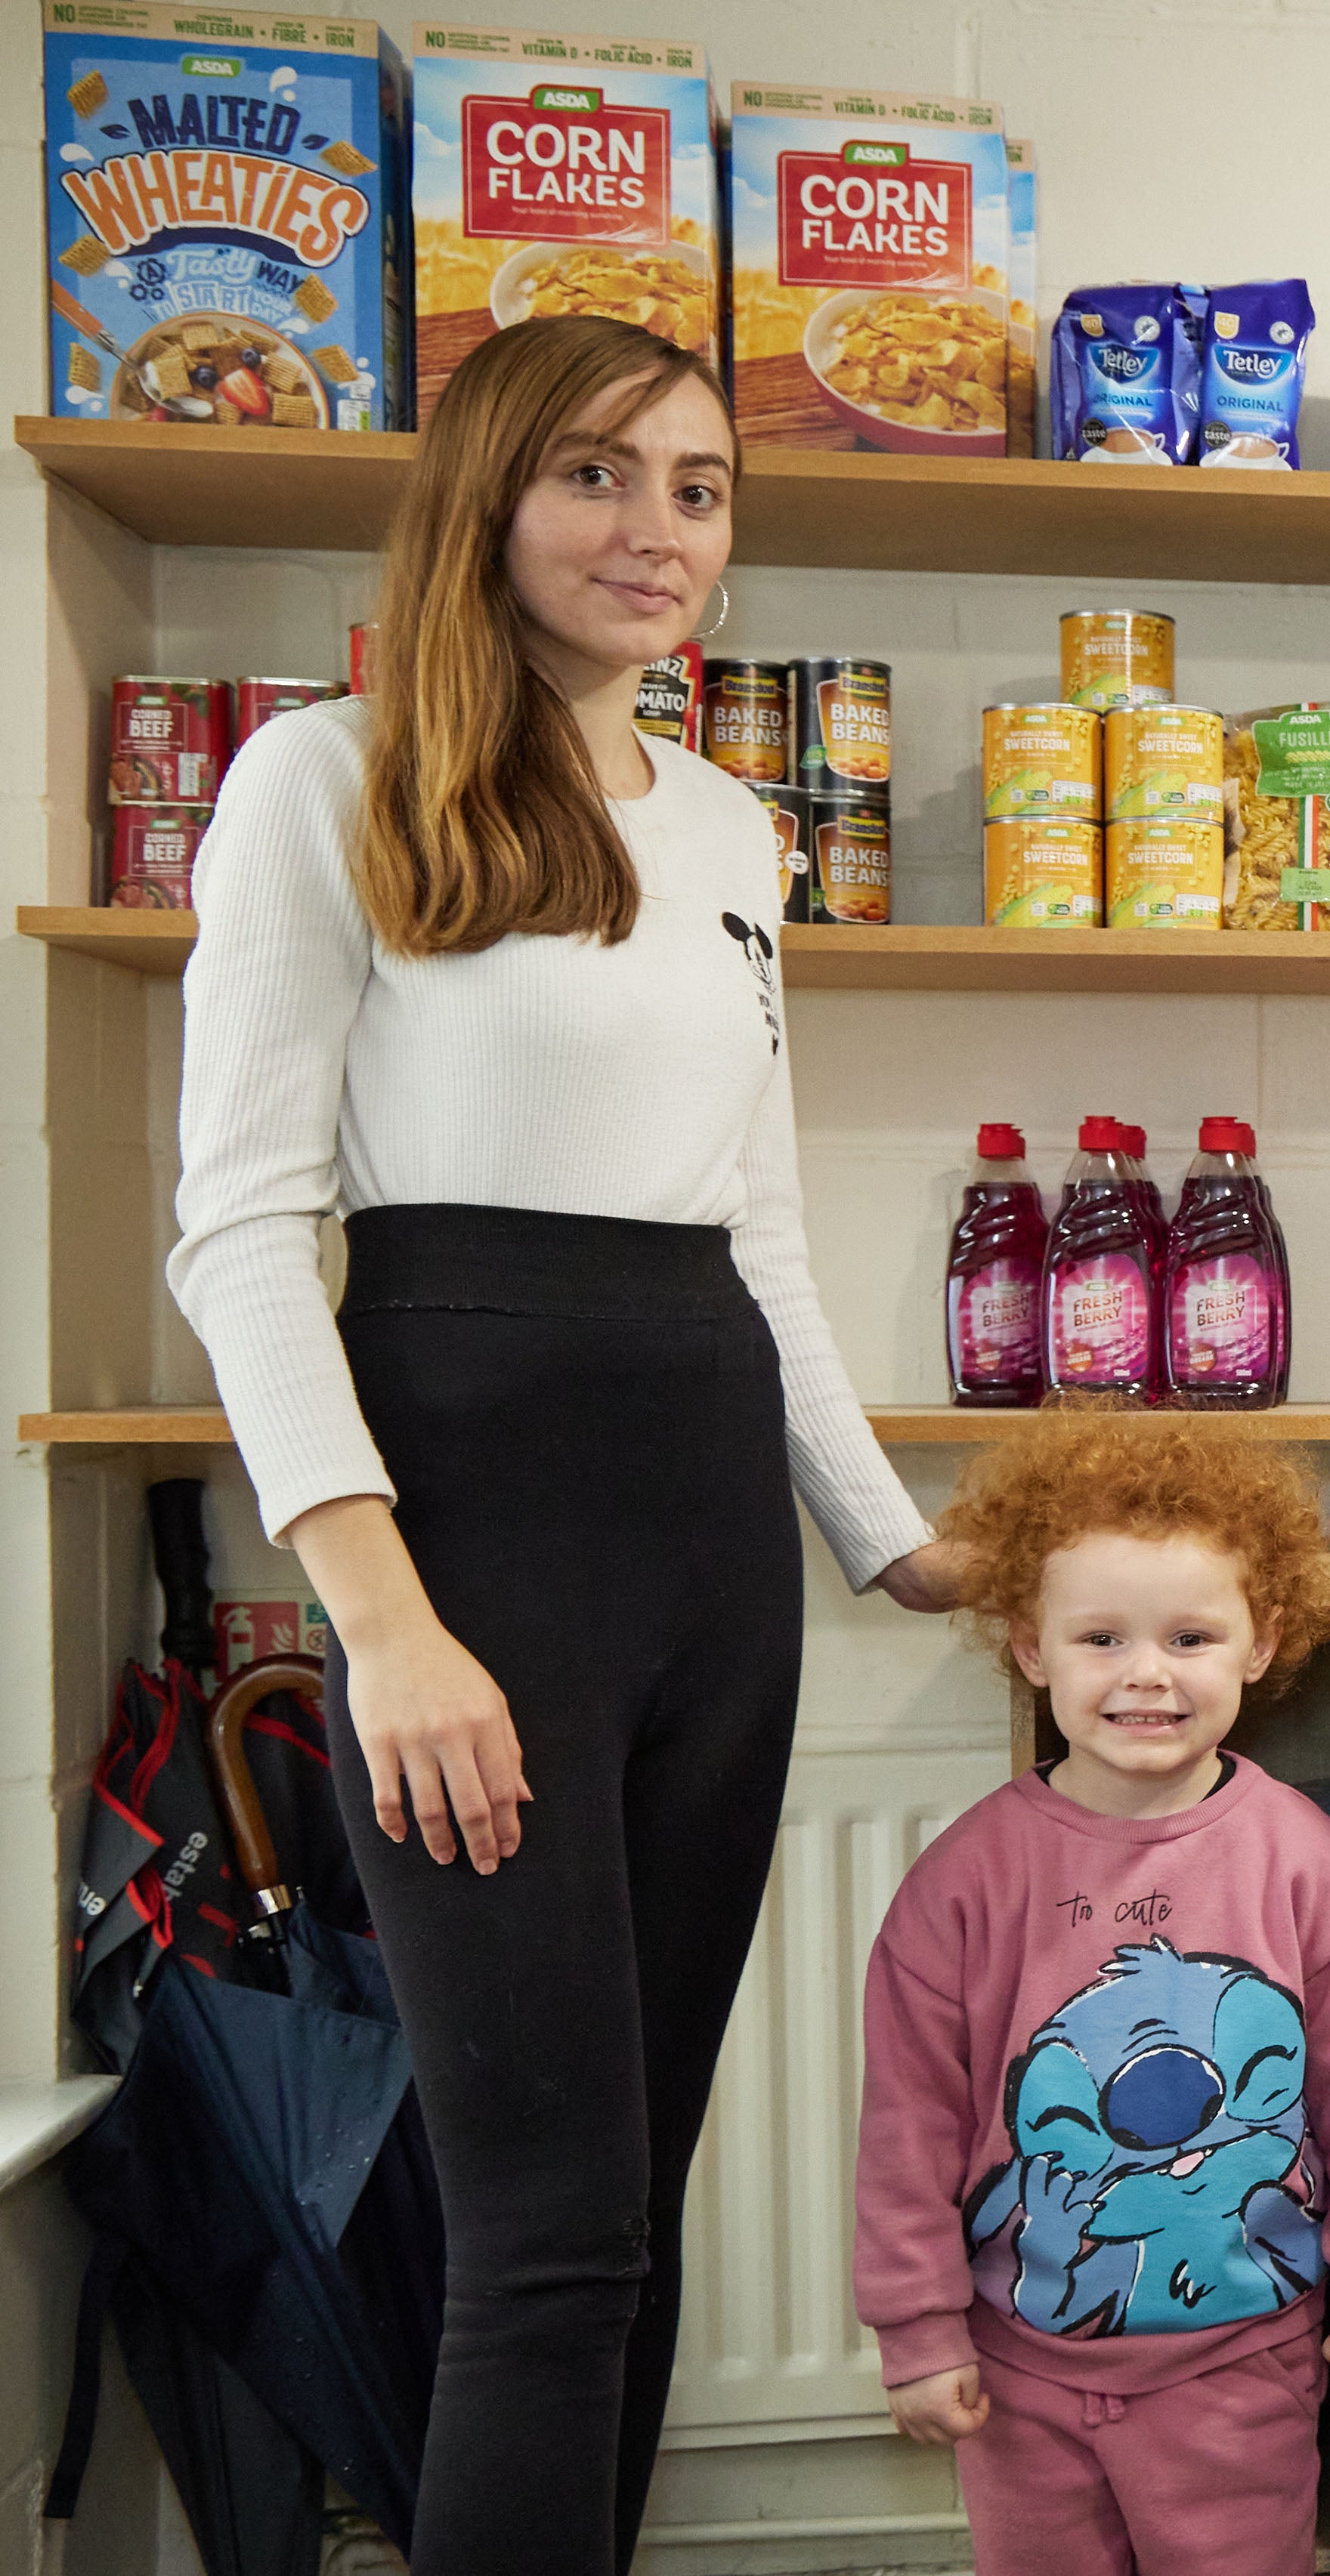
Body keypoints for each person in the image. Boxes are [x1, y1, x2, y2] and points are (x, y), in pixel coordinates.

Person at [165, 315, 960, 2574]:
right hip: (472, 1533)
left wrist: (902, 1551)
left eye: (701, 487)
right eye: (601, 477)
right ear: (491, 500)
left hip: (707, 1514)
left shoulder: (729, 827)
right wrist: (384, 1623)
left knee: (633, 2205)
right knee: (539, 2239)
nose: (659, 531)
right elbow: (240, 1236)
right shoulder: (322, 779)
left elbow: (764, 1234)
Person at [852, 1415, 1330, 2576]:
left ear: (1261, 1643)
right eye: (1102, 1636)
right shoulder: (964, 1882)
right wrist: (915, 2328)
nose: (1148, 1673)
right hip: (1015, 2376)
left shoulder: (1305, 1861)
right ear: (1031, 1646)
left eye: (1190, 1635)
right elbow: (908, 2122)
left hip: (1242, 2369)